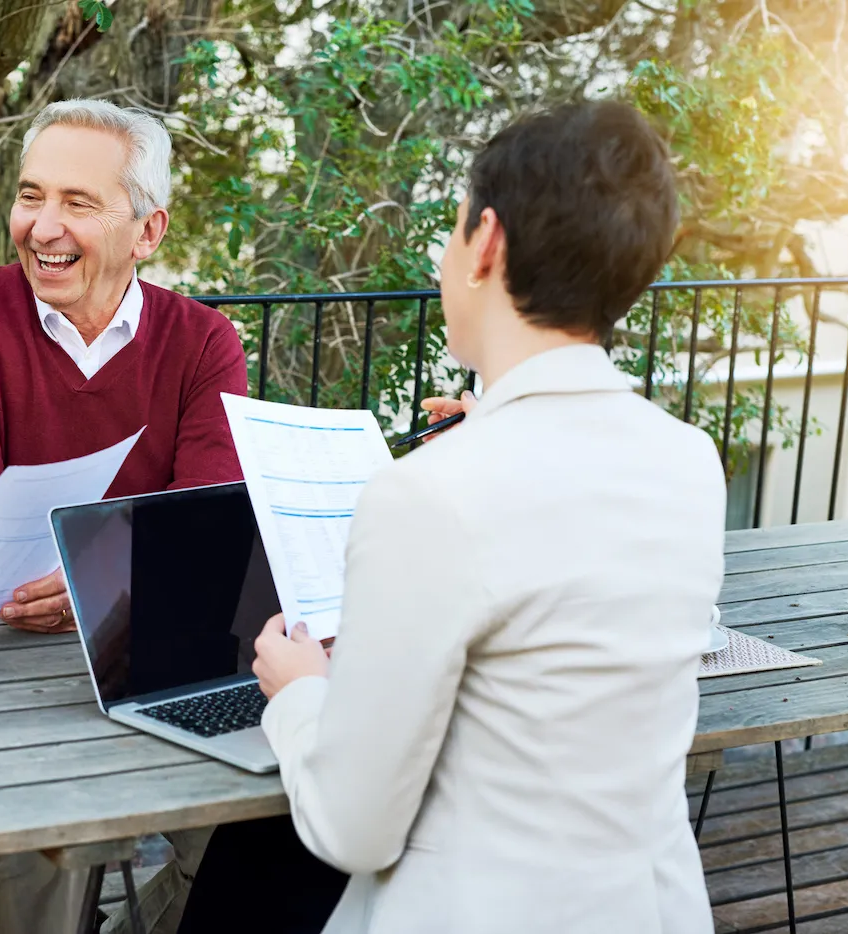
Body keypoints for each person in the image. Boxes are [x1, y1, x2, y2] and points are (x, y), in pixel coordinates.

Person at [246, 100, 724, 934]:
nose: (444, 254)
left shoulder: (429, 494)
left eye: (453, 230)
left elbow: (352, 828)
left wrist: (300, 696)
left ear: (488, 243)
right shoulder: (690, 459)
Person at [0, 99, 286, 934]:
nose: (42, 225)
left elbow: (202, 522)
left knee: (238, 853)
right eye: (30, 194)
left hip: (156, 642)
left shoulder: (202, 342)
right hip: (7, 648)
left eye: (77, 203)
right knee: (41, 870)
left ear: (146, 232)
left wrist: (104, 586)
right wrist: (114, 574)